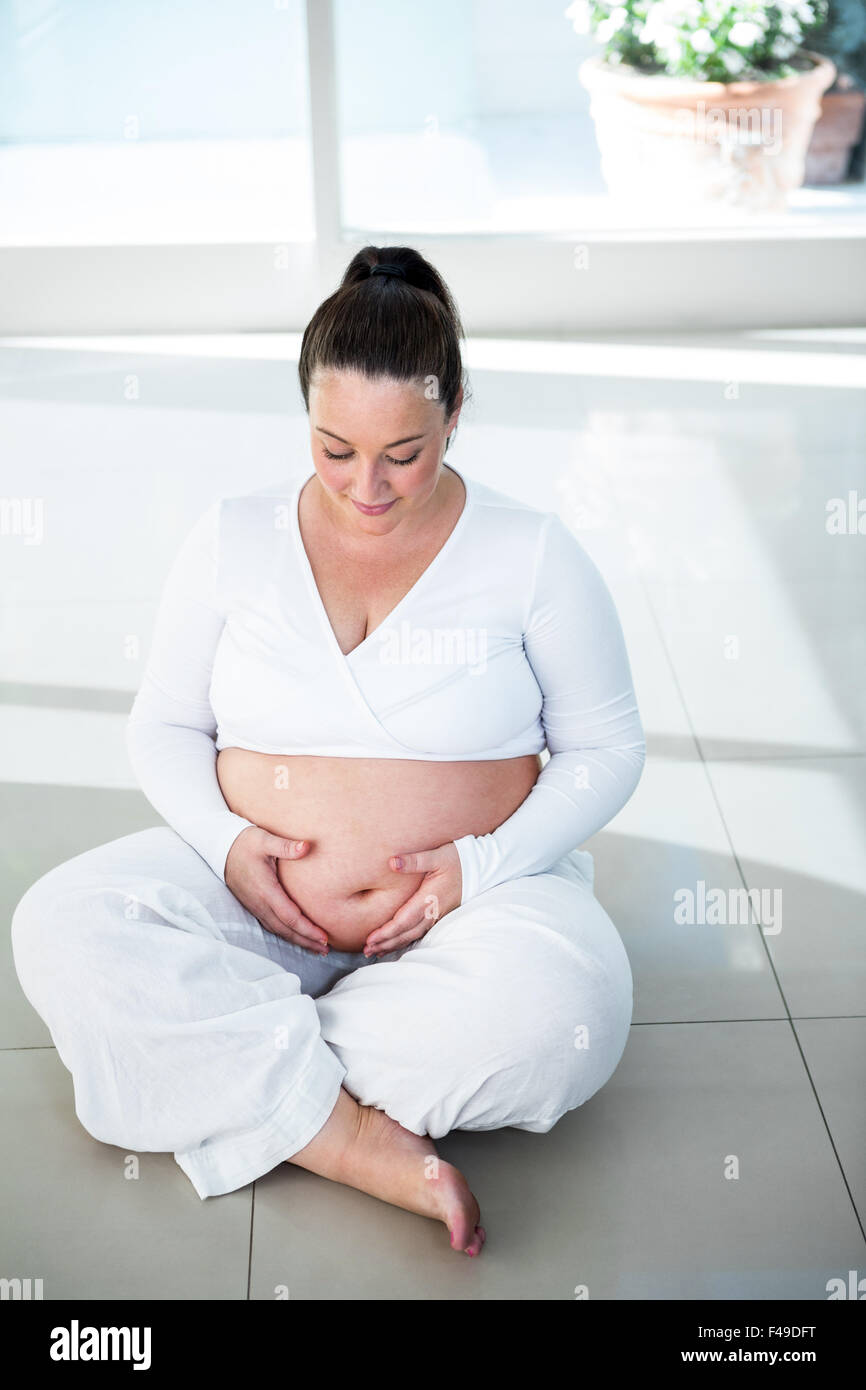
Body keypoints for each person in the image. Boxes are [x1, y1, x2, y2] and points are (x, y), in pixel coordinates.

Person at [11, 247, 646, 1260]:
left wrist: (475, 868)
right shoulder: (232, 535)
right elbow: (163, 727)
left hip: (468, 909)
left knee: (568, 1010)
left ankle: (225, 1061)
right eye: (333, 447)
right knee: (62, 922)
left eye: (404, 450)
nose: (367, 486)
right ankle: (343, 1132)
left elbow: (605, 748)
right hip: (253, 900)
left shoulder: (531, 553)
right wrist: (223, 847)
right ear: (303, 414)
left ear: (455, 410)